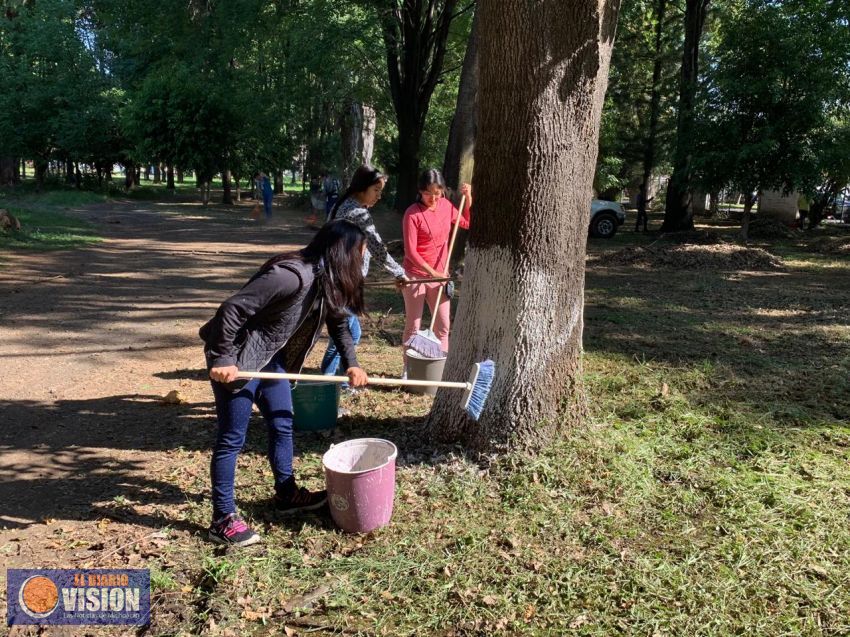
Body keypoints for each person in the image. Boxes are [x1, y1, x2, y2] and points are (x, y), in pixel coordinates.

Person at [199, 220, 370, 546]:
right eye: (360, 255)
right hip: (237, 359)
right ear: (343, 253)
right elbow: (232, 309)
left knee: (282, 422)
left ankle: (286, 493)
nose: (361, 262)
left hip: (268, 358)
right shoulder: (292, 275)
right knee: (232, 439)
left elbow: (338, 325)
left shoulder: (327, 282)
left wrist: (352, 364)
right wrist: (222, 358)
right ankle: (222, 519)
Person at [321, 165, 407, 384]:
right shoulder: (356, 212)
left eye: (381, 191)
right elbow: (377, 247)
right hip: (343, 281)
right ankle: (330, 382)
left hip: (341, 279)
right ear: (362, 188)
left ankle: (336, 381)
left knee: (346, 334)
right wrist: (399, 272)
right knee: (346, 336)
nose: (379, 196)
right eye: (376, 190)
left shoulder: (343, 204)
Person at [402, 168, 472, 358]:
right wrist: (433, 273)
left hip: (440, 276)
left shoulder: (446, 206)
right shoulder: (412, 214)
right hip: (415, 276)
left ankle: (440, 366)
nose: (432, 198)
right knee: (413, 326)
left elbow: (466, 222)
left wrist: (468, 197)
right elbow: (411, 252)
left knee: (443, 326)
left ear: (442, 190)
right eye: (427, 193)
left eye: (437, 192)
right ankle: (409, 368)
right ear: (420, 191)